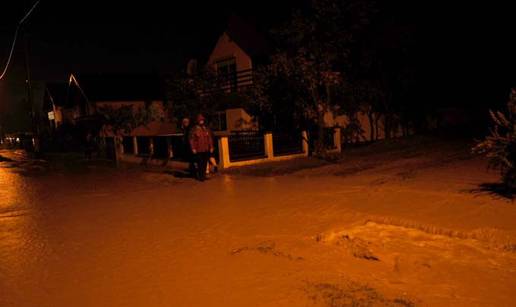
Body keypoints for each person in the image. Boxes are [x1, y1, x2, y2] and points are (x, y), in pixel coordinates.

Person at [189, 114, 214, 181]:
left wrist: (211, 147)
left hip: (205, 149)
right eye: (200, 120)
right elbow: (191, 140)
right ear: (197, 121)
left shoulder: (206, 129)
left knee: (205, 163)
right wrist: (193, 148)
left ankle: (203, 175)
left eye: (202, 120)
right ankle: (200, 176)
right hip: (198, 149)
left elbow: (209, 138)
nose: (201, 121)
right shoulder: (194, 129)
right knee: (200, 163)